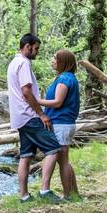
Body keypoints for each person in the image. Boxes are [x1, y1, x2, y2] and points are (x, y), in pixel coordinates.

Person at [6, 33, 63, 203]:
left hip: (19, 117)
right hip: (29, 116)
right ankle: (45, 191)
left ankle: (24, 196)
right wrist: (41, 113)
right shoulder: (23, 63)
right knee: (54, 149)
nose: (37, 52)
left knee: (26, 155)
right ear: (28, 46)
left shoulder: (13, 63)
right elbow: (26, 92)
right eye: (36, 48)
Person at [38, 49, 80, 200]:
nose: (53, 61)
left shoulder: (64, 79)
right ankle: (74, 194)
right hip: (64, 123)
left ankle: (68, 195)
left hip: (61, 123)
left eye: (56, 59)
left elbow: (57, 102)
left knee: (63, 162)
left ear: (63, 62)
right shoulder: (67, 77)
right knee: (65, 161)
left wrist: (36, 101)